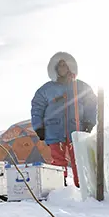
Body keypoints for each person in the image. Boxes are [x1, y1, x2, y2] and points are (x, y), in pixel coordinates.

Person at [30, 52, 97, 187]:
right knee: (57, 162)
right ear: (54, 68)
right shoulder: (46, 90)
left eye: (64, 65)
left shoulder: (82, 87)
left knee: (79, 160)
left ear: (70, 67)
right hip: (54, 131)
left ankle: (83, 188)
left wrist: (89, 123)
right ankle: (59, 188)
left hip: (77, 130)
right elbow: (37, 108)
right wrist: (38, 127)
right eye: (59, 65)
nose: (62, 68)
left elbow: (91, 105)